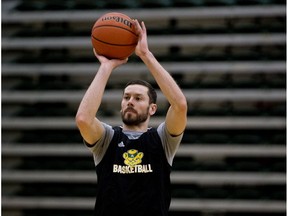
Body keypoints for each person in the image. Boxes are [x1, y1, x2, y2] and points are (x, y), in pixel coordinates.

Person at [75, 19, 187, 216]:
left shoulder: (162, 140)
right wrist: (106, 67)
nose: (130, 101)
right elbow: (83, 118)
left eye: (138, 98)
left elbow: (180, 105)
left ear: (152, 108)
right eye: (126, 97)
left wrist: (146, 55)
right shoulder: (107, 139)